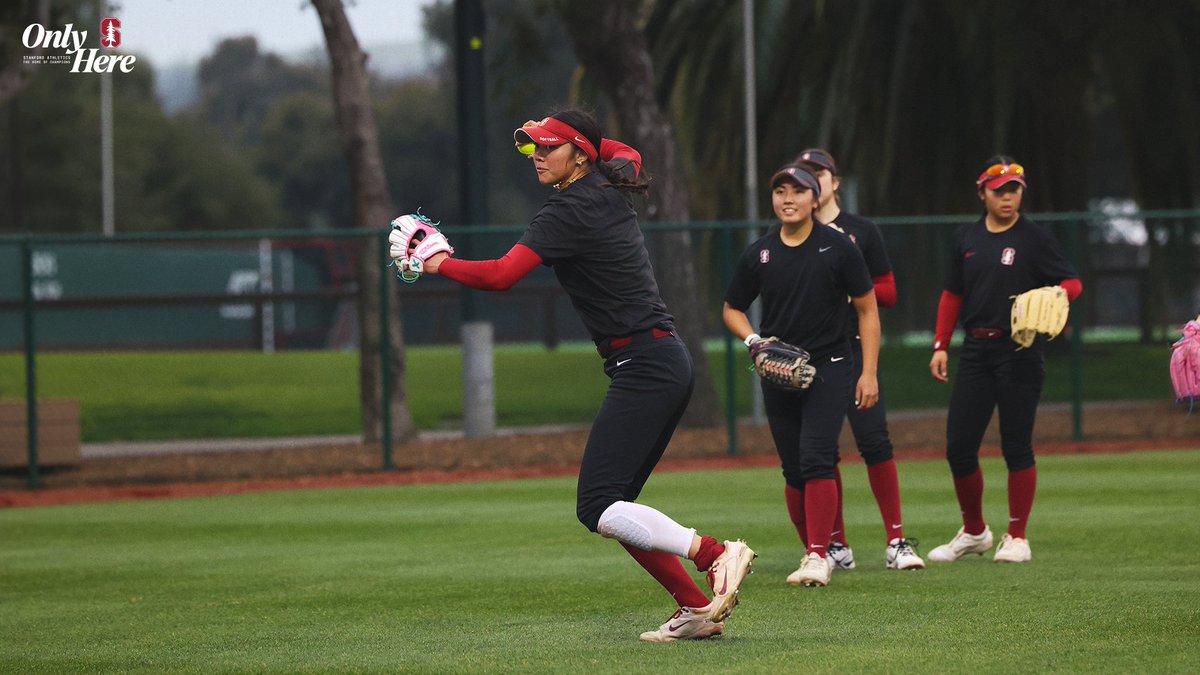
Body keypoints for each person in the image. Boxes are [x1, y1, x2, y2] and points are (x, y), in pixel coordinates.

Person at [408, 109, 755, 642]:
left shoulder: (567, 210)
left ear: (579, 156)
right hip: (661, 359)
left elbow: (502, 276)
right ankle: (695, 610)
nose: (537, 156)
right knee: (618, 508)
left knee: (597, 506)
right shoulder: (611, 179)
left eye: (549, 147)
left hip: (645, 364)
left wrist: (439, 263)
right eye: (533, 148)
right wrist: (582, 140)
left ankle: (715, 555)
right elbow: (620, 150)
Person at [723, 163, 881, 588]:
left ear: (816, 198)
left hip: (830, 365)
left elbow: (867, 308)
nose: (787, 198)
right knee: (793, 469)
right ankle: (816, 549)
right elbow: (731, 308)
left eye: (798, 190)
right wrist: (754, 341)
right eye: (780, 191)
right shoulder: (760, 253)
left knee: (816, 458)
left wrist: (868, 372)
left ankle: (817, 555)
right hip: (779, 371)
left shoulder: (839, 247)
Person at [927, 156, 1082, 564]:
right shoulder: (966, 238)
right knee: (959, 448)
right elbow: (952, 294)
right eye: (999, 191)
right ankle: (975, 532)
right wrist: (941, 344)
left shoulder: (1035, 239)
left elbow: (1072, 281)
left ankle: (1017, 536)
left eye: (1014, 189)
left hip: (1020, 352)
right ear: (982, 194)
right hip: (976, 350)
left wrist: (1058, 295)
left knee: (1016, 446)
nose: (1008, 197)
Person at [795, 148, 924, 572]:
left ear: (835, 181)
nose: (813, 181)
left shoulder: (860, 231)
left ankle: (896, 540)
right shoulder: (793, 231)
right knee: (822, 452)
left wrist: (849, 287)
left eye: (820, 173)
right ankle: (837, 546)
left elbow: (887, 293)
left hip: (853, 346)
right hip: (812, 354)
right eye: (805, 176)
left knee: (874, 440)